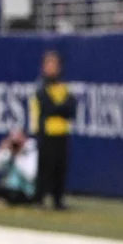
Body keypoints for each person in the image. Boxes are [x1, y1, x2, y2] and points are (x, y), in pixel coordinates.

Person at [29, 49, 77, 211]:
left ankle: (58, 199)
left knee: (60, 167)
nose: (52, 68)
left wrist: (59, 109)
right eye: (49, 64)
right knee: (45, 167)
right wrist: (60, 108)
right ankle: (39, 198)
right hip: (46, 132)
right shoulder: (41, 88)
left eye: (54, 64)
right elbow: (48, 108)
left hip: (62, 132)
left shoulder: (64, 88)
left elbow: (70, 109)